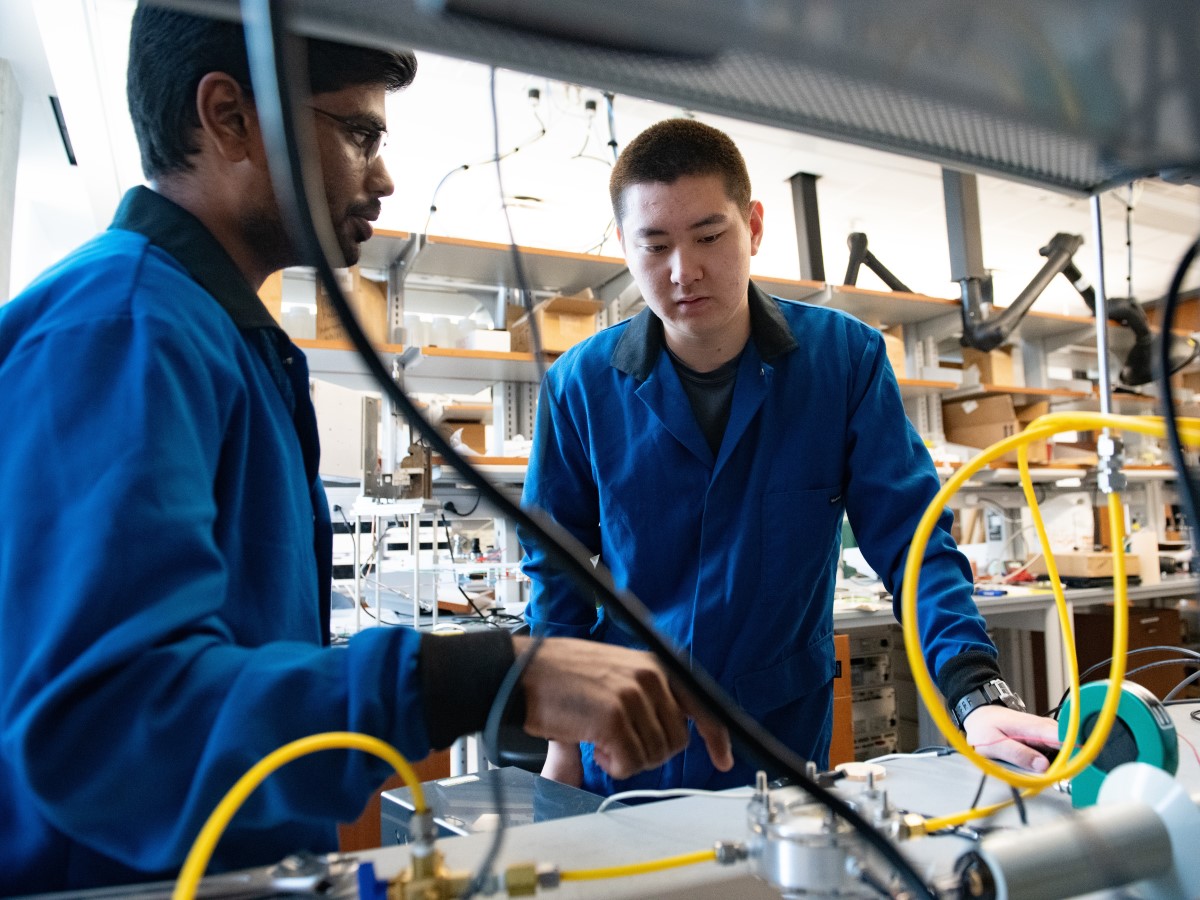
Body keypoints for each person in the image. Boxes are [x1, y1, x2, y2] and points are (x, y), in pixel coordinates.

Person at [0, 10, 732, 893]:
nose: (382, 176)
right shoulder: (124, 327)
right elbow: (111, 724)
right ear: (230, 116)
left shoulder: (220, 338)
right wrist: (480, 676)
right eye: (357, 133)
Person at [521, 118, 1060, 797]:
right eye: (654, 245)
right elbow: (557, 573)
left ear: (754, 225)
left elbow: (914, 544)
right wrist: (560, 745)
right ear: (624, 248)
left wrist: (974, 692)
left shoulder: (845, 363)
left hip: (775, 738)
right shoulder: (578, 387)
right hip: (629, 733)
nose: (684, 271)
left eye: (710, 236)